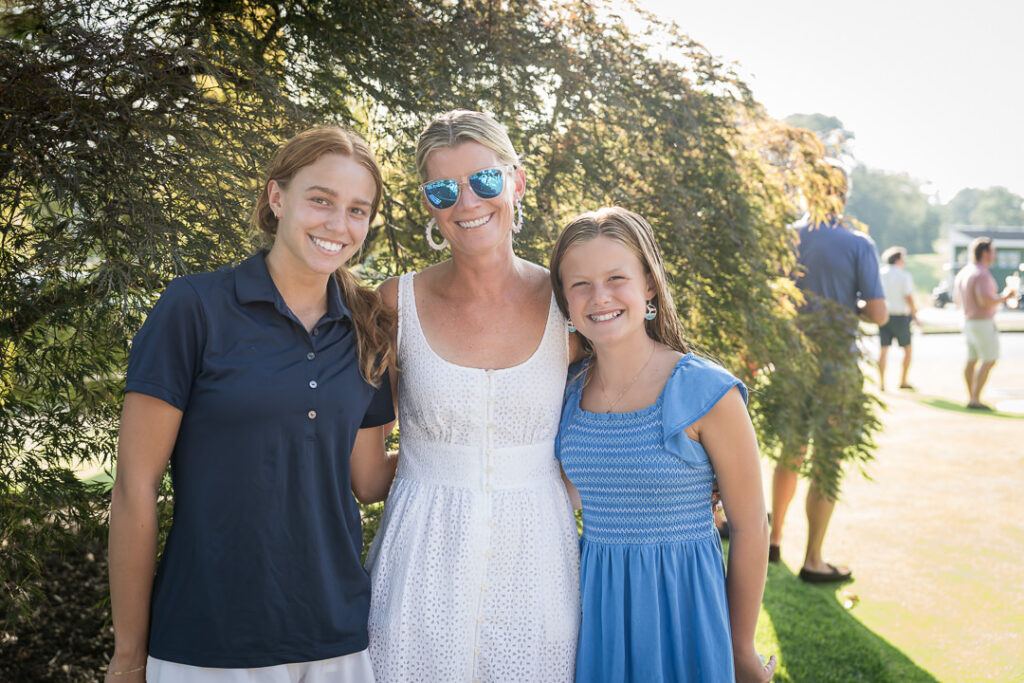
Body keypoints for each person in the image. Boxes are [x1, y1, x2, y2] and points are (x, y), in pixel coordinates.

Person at [105, 128, 395, 682]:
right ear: (277, 198)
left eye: (358, 210)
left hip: (336, 641)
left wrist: (473, 445)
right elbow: (134, 489)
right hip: (207, 642)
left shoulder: (368, 327)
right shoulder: (194, 307)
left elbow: (368, 479)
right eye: (321, 200)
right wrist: (128, 656)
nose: (339, 224)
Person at [364, 110, 580, 682]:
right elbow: (363, 479)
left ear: (517, 181)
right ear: (428, 206)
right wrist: (436, 465)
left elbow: (616, 417)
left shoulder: (571, 306)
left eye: (484, 180)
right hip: (419, 564)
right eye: (442, 190)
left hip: (538, 566)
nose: (467, 203)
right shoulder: (393, 305)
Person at [550, 207, 776, 683]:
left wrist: (739, 647)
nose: (601, 297)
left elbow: (752, 526)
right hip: (596, 610)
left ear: (649, 285)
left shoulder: (704, 391)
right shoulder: (566, 392)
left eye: (617, 278)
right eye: (581, 284)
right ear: (565, 301)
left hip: (684, 606)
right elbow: (562, 495)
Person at [769, 170, 888, 583]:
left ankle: (774, 538)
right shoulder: (858, 243)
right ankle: (814, 559)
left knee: (790, 451)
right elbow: (878, 314)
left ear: (806, 190)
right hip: (836, 368)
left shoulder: (785, 237)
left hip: (792, 362)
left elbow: (772, 297)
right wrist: (845, 307)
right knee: (827, 459)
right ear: (843, 194)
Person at [953, 237, 1017, 410]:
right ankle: (975, 399)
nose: (994, 254)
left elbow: (957, 299)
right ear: (985, 252)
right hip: (982, 322)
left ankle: (972, 396)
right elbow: (984, 301)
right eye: (992, 251)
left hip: (967, 321)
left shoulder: (965, 271)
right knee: (989, 359)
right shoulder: (981, 273)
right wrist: (1005, 297)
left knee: (971, 360)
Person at [878, 246, 919, 391]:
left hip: (884, 315)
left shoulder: (880, 274)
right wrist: (916, 316)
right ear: (898, 259)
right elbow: (909, 297)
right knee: (907, 350)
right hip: (901, 317)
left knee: (883, 350)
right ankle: (903, 380)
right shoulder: (904, 276)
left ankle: (882, 383)